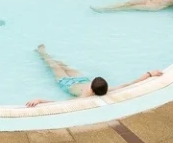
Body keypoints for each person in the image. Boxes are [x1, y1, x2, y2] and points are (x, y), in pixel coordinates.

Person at [26, 44, 162, 106]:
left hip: (67, 82)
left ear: (91, 87)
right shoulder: (107, 90)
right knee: (62, 64)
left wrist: (40, 100)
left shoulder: (84, 97)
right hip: (80, 79)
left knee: (53, 65)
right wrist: (149, 74)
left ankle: (42, 52)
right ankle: (48, 54)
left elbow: (61, 104)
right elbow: (130, 84)